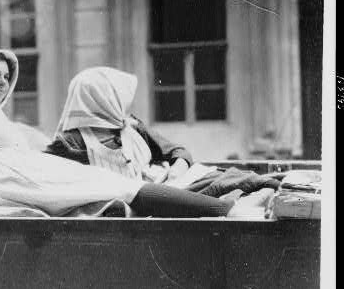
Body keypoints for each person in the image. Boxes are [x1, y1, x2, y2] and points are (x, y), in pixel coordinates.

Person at [0, 49, 258, 218]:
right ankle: (226, 212)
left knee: (110, 189)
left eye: (5, 76)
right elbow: (12, 141)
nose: (2, 82)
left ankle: (224, 209)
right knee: (115, 186)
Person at [46, 66, 279, 200]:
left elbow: (178, 152)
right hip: (139, 202)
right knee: (223, 188)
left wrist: (177, 170)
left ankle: (284, 186)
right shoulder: (70, 143)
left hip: (168, 186)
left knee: (230, 177)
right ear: (102, 99)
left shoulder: (130, 126)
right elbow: (42, 172)